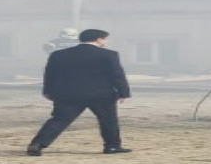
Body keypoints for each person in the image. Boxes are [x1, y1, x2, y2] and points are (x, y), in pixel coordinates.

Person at [26, 28, 132, 156]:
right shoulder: (109, 54)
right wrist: (123, 92)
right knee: (108, 120)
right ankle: (112, 146)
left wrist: (48, 91)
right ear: (99, 39)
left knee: (59, 120)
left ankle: (37, 144)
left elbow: (50, 74)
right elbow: (117, 75)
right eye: (105, 39)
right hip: (101, 94)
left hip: (69, 94)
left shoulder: (58, 54)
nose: (106, 41)